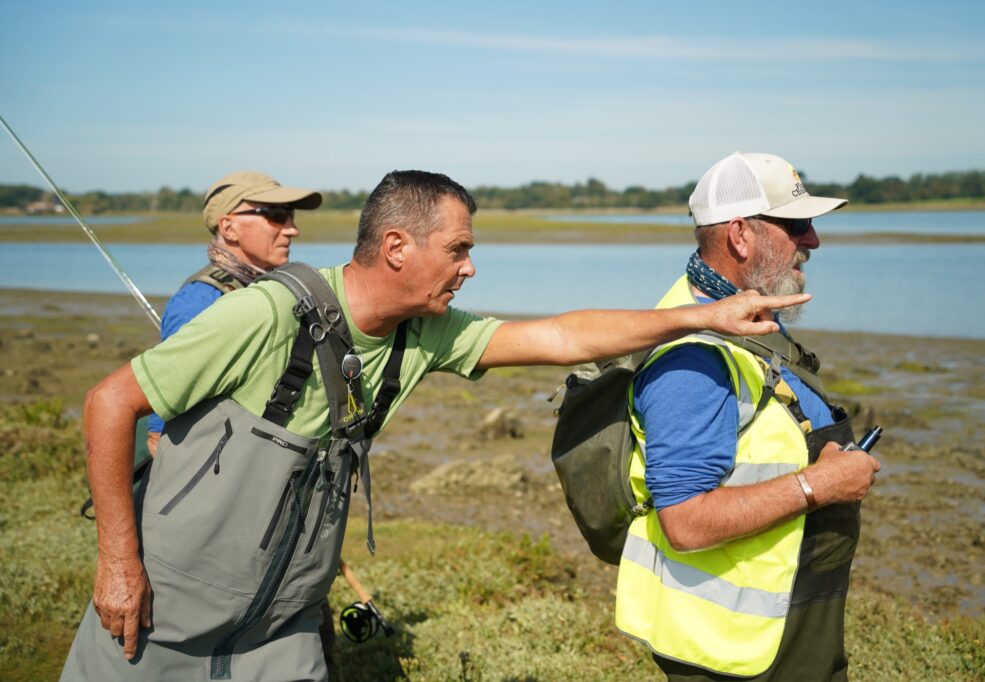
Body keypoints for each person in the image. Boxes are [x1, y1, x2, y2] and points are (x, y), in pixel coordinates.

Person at [61, 169, 807, 681]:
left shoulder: (426, 333)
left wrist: (705, 315)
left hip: (283, 621)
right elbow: (110, 402)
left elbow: (560, 337)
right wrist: (121, 565)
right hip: (165, 603)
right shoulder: (265, 312)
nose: (469, 269)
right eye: (459, 250)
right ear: (396, 248)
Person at [615, 152, 882, 681]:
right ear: (740, 235)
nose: (813, 242)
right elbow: (686, 522)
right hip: (732, 652)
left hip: (781, 630)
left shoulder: (746, 319)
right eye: (798, 225)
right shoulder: (695, 359)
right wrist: (818, 486)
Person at [144, 170, 321, 456]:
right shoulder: (198, 302)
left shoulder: (271, 290)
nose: (292, 229)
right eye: (276, 215)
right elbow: (159, 437)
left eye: (291, 215)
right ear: (229, 228)